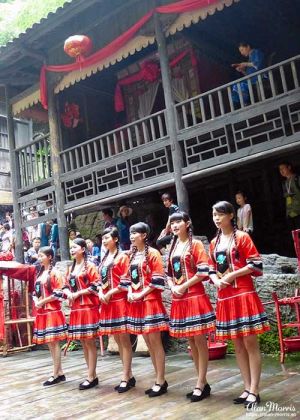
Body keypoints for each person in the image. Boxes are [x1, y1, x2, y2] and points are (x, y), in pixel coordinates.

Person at [209, 201, 270, 408]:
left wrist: (234, 273)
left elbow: (255, 263)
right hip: (225, 297)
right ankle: (246, 387)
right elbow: (210, 269)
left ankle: (255, 389)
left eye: (220, 214)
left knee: (250, 343)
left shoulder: (243, 237)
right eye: (214, 214)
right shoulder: (213, 242)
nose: (216, 218)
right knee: (238, 345)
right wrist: (216, 280)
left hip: (243, 294)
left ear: (231, 216)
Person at [167, 211, 215, 402]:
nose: (175, 225)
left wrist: (183, 286)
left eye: (179, 221)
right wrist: (172, 286)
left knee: (199, 339)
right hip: (180, 298)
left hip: (194, 296)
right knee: (191, 341)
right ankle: (201, 381)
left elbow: (204, 271)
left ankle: (200, 382)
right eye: (172, 222)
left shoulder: (195, 244)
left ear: (188, 223)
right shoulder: (173, 245)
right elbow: (169, 273)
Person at [125, 222, 169, 397]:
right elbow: (127, 278)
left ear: (144, 235)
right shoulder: (132, 255)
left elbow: (158, 279)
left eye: (134, 233)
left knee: (155, 341)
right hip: (137, 301)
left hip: (150, 301)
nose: (131, 236)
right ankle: (158, 379)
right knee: (149, 343)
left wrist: (140, 293)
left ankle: (161, 379)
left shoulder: (153, 253)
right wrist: (130, 291)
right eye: (130, 233)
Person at [98, 227, 134, 393]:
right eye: (103, 238)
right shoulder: (105, 258)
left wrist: (110, 292)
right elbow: (100, 281)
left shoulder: (122, 257)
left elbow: (126, 281)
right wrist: (100, 292)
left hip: (119, 301)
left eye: (107, 238)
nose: (104, 241)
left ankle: (125, 376)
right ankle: (128, 374)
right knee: (118, 341)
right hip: (108, 303)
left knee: (124, 340)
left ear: (116, 239)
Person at [62, 238, 100, 390]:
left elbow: (95, 285)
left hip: (88, 307)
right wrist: (67, 292)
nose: (72, 250)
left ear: (83, 249)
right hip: (76, 308)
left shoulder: (90, 266)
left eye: (75, 247)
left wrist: (77, 293)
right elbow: (65, 285)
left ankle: (91, 376)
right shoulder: (70, 269)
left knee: (89, 342)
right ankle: (92, 374)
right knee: (84, 342)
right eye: (71, 247)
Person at [32, 246, 68, 386]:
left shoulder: (55, 273)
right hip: (42, 311)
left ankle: (56, 373)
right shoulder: (40, 273)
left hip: (52, 310)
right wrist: (36, 301)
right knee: (50, 343)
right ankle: (59, 372)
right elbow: (35, 292)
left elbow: (59, 293)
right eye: (39, 256)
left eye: (42, 256)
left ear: (50, 257)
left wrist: (43, 301)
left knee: (54, 342)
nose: (39, 258)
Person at [231, 42, 266, 106]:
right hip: (253, 78)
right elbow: (248, 75)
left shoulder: (257, 52)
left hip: (260, 76)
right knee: (235, 85)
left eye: (242, 50)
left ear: (248, 47)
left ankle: (245, 103)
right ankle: (242, 103)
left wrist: (245, 64)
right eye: (240, 51)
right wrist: (242, 70)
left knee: (239, 85)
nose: (241, 53)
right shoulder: (250, 59)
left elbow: (258, 65)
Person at [278, 162, 300, 231]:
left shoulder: (297, 179)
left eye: (283, 168)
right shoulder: (284, 183)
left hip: (298, 211)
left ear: (289, 167)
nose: (281, 171)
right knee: (295, 235)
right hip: (290, 213)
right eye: (280, 169)